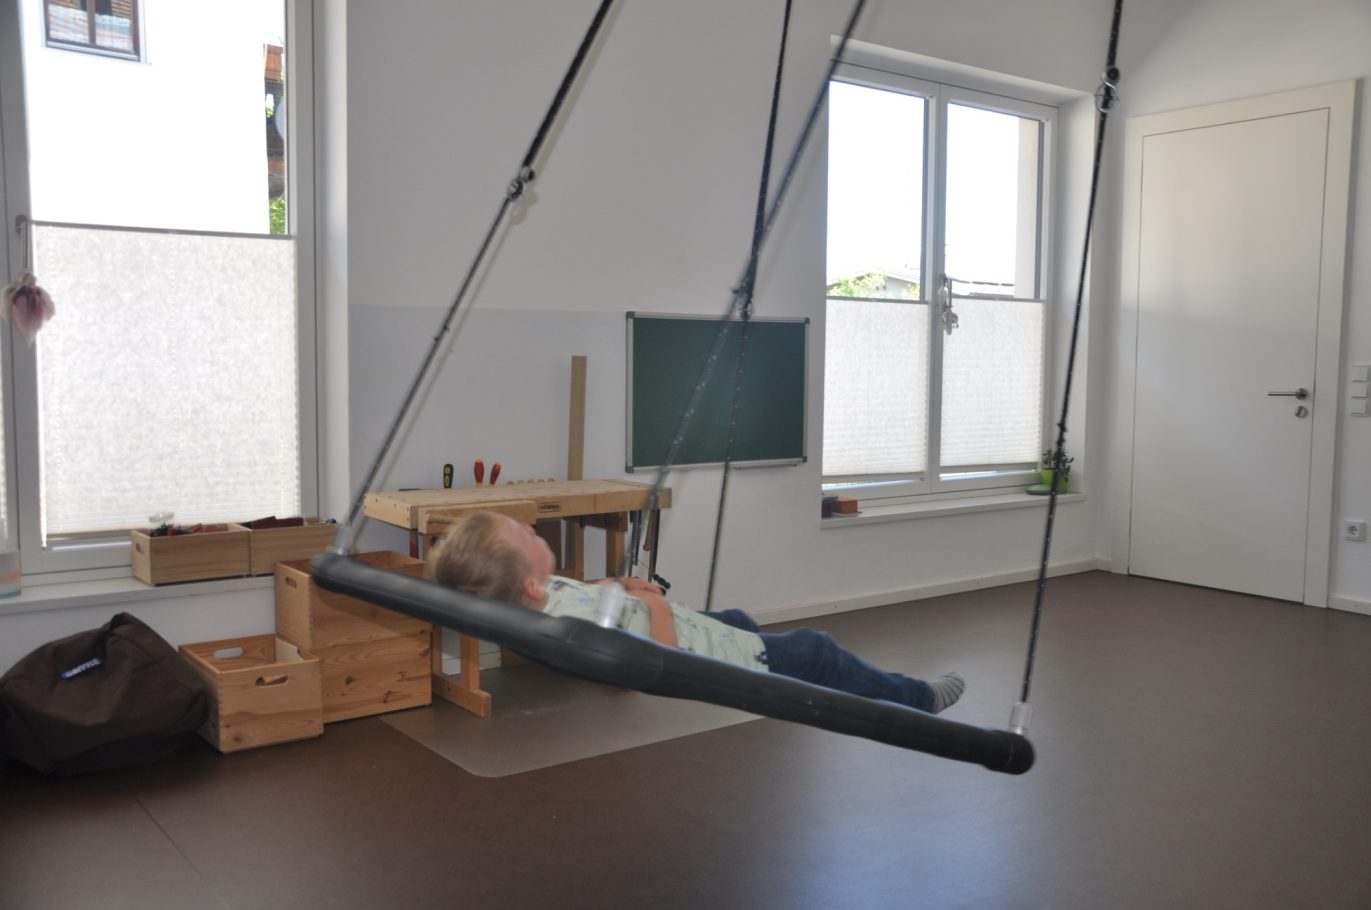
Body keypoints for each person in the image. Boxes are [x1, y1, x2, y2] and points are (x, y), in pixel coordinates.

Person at [428, 510, 965, 715]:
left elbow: (590, 597)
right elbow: (658, 665)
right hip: (706, 660)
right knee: (816, 651)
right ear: (527, 581)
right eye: (522, 534)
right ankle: (918, 699)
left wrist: (616, 584)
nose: (531, 527)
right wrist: (652, 603)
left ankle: (754, 642)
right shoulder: (572, 628)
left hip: (704, 629)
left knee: (739, 620)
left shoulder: (543, 597)